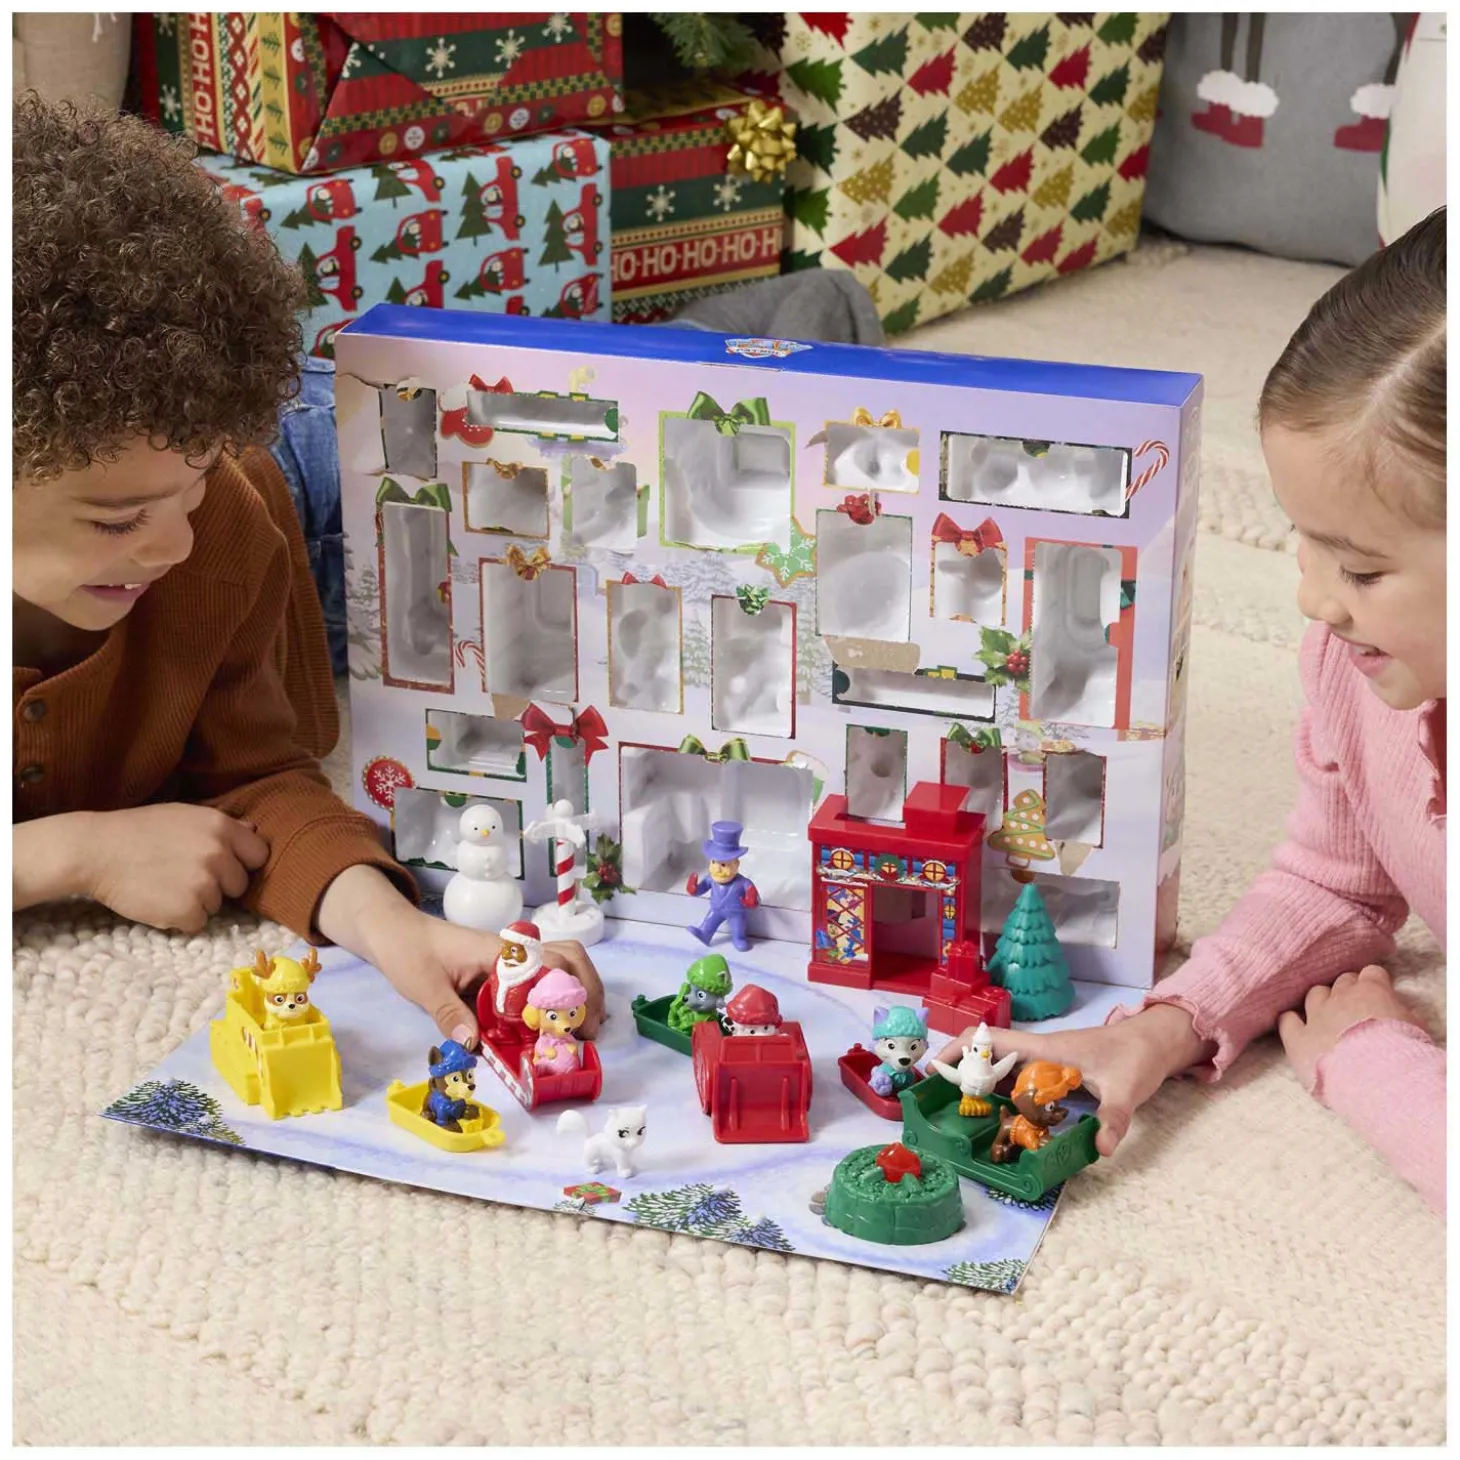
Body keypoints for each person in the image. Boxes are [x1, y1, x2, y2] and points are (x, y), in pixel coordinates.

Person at [11, 93, 603, 1047]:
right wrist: (67, 854)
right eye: (117, 519)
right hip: (289, 507)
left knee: (584, 473)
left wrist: (394, 924)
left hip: (298, 477)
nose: (173, 545)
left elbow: (258, 776)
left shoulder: (214, 524)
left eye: (188, 496)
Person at [939, 209, 1447, 1213]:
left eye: (1359, 567)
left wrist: (1366, 1056)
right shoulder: (1358, 668)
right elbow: (1337, 886)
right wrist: (1159, 1027)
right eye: (1302, 540)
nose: (1312, 597)